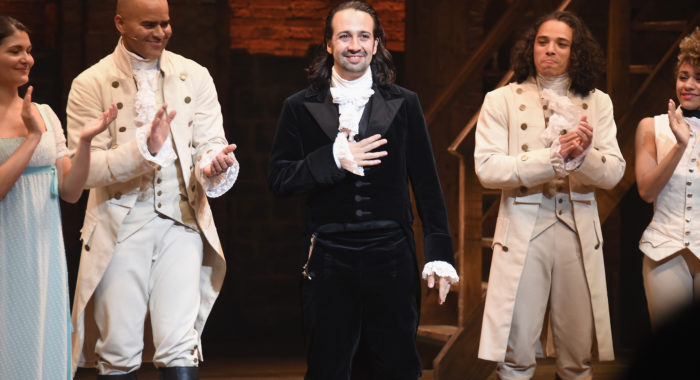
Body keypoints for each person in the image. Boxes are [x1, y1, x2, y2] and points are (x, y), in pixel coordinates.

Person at [268, 1, 459, 378]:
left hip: (391, 255)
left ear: (375, 45)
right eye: (344, 36)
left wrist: (440, 253)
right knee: (329, 367)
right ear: (328, 44)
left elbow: (426, 182)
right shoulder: (298, 106)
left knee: (396, 365)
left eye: (363, 36)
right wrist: (332, 159)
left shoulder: (404, 103)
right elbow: (279, 179)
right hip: (328, 258)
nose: (354, 44)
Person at [66, 0, 239, 378]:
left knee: (181, 342)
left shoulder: (195, 76)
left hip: (181, 220)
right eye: (149, 24)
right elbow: (85, 170)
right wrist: (144, 150)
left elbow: (210, 141)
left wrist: (212, 163)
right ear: (119, 23)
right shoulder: (89, 83)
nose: (161, 32)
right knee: (118, 346)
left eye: (166, 23)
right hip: (120, 223)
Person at [474, 10, 625, 379]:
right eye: (543, 41)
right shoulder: (501, 100)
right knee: (516, 347)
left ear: (576, 52)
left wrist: (584, 156)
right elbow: (487, 168)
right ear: (531, 47)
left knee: (577, 353)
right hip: (525, 226)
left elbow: (615, 171)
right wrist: (551, 158)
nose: (551, 50)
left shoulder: (598, 102)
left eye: (562, 43)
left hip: (576, 228)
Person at [0, 15, 116, 380]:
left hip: (42, 252)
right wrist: (32, 139)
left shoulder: (46, 114)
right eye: (14, 50)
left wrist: (84, 143)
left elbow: (69, 192)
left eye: (29, 51)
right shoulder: (37, 125)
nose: (27, 59)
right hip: (6, 250)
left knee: (42, 343)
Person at [635, 27, 700, 329]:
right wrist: (680, 146)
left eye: (698, 78)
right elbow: (647, 191)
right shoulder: (651, 127)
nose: (689, 85)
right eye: (684, 76)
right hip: (664, 249)